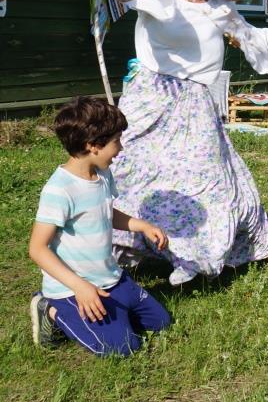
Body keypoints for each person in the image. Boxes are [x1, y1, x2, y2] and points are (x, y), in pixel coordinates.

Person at [74, 0, 268, 286]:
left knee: (217, 180)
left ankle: (252, 247)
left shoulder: (218, 9)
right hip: (150, 101)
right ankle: (116, 254)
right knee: (128, 175)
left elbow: (254, 37)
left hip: (195, 105)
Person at [29, 97, 172, 356]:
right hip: (75, 287)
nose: (121, 147)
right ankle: (51, 309)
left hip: (111, 279)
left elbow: (104, 211)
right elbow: (38, 249)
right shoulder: (60, 190)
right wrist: (79, 286)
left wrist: (141, 226)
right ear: (93, 145)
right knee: (124, 348)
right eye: (116, 141)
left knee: (161, 322)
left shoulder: (102, 174)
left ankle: (116, 312)